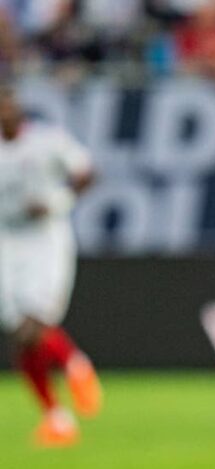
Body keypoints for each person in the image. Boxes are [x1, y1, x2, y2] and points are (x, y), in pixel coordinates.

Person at [0, 87, 102, 447]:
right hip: (6, 244)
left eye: (8, 104)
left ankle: (76, 365)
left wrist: (58, 200)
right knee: (21, 338)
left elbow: (88, 172)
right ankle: (57, 419)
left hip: (46, 240)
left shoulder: (48, 141)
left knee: (35, 326)